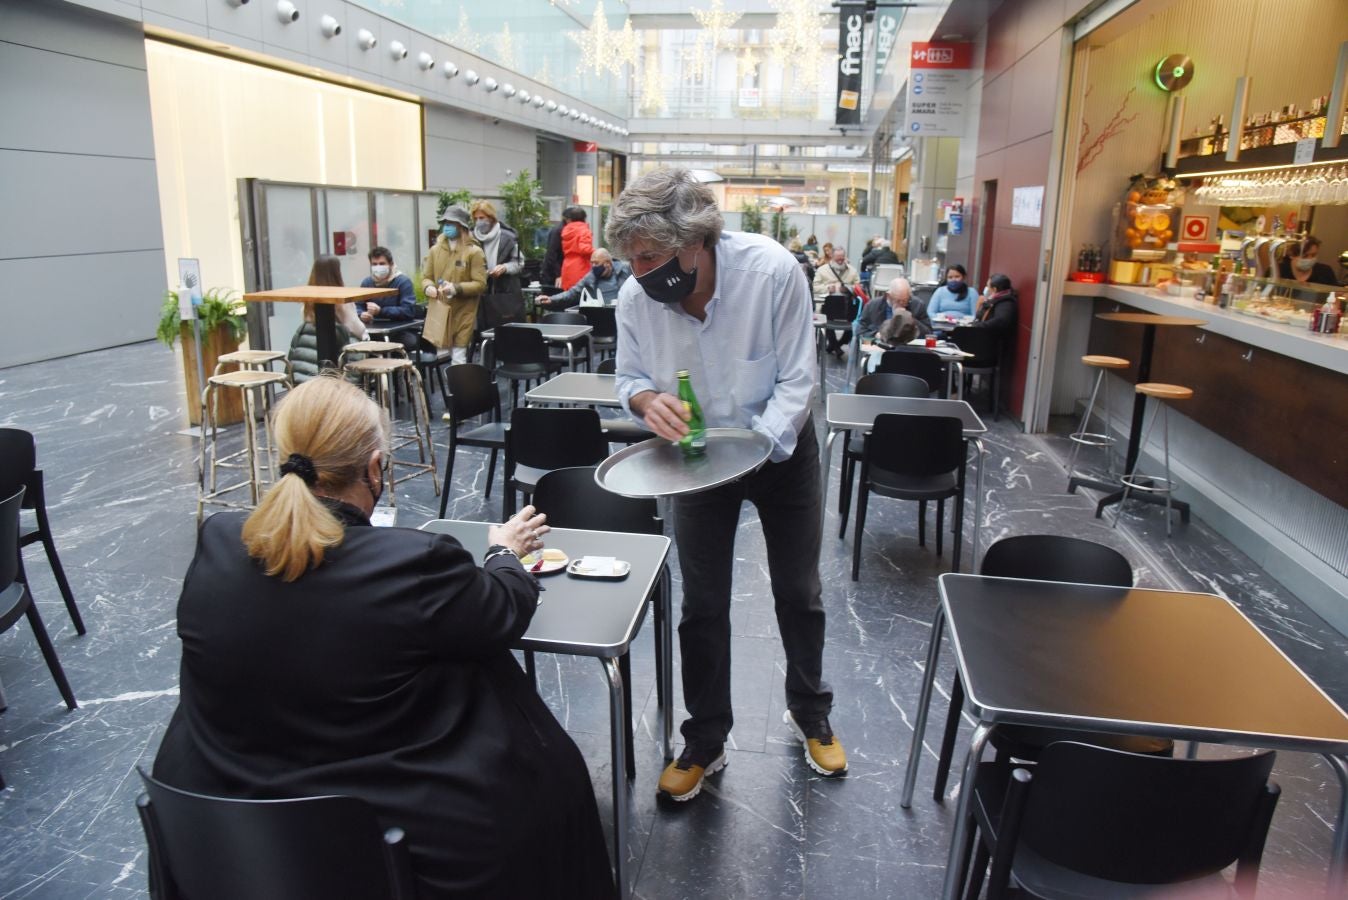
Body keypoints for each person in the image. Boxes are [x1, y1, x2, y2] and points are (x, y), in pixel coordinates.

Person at [152, 376, 615, 899]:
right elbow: (502, 612)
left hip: (226, 840)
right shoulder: (414, 564)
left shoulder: (216, 542)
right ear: (375, 469)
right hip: (395, 853)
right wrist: (505, 552)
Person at [607, 168, 845, 803]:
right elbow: (626, 374)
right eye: (631, 258)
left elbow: (799, 382)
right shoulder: (635, 299)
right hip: (696, 457)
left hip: (781, 450)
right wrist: (645, 397)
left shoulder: (771, 274)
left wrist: (753, 452)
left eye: (651, 255)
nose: (640, 271)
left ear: (695, 239)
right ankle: (705, 738)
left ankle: (810, 710)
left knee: (800, 589)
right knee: (702, 603)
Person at [422, 205, 486, 364]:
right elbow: (426, 277)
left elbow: (480, 284)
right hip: (440, 310)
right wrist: (428, 287)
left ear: (461, 226)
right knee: (442, 355)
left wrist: (456, 288)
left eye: (452, 223)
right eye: (445, 223)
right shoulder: (435, 250)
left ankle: (458, 389)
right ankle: (451, 388)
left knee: (458, 357)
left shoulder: (473, 252)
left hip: (463, 312)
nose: (447, 227)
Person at [287, 255, 367, 382]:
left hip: (304, 372)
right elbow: (358, 330)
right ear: (336, 273)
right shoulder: (342, 300)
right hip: (334, 369)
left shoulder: (308, 298)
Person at [471, 200, 526, 329]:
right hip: (480, 292)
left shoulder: (508, 237)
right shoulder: (471, 238)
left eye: (482, 218)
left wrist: (505, 267)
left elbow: (519, 262)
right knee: (482, 330)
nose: (479, 221)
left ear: (491, 218)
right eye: (476, 218)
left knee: (504, 329)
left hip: (505, 292)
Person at [539, 248, 631, 310]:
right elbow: (572, 293)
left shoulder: (626, 270)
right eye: (592, 263)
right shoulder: (591, 277)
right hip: (602, 317)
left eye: (596, 263)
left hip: (623, 313)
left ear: (608, 263)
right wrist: (552, 299)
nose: (593, 266)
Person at [814, 246, 861, 356]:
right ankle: (835, 345)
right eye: (837, 259)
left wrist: (849, 289)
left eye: (842, 259)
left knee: (856, 321)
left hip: (848, 306)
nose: (840, 261)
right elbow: (815, 286)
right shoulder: (822, 270)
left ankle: (836, 345)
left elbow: (859, 287)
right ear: (832, 257)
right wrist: (827, 288)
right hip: (829, 306)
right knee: (827, 314)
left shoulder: (852, 271)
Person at [357, 246, 418, 326]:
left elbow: (409, 311)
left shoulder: (403, 282)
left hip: (400, 328)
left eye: (382, 264)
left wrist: (381, 311)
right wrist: (361, 314)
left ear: (391, 264)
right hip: (372, 328)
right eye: (374, 264)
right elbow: (358, 306)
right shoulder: (367, 283)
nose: (378, 267)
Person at [859, 277, 932, 341]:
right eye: (898, 300)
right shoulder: (873, 305)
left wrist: (911, 319)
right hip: (880, 347)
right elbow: (860, 330)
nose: (901, 303)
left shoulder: (917, 305)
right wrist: (875, 334)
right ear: (888, 296)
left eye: (905, 301)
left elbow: (928, 333)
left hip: (909, 349)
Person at [560, 206, 594, 291]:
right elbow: (585, 249)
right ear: (584, 218)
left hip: (567, 266)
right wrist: (598, 253)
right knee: (581, 297)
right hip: (580, 267)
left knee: (568, 297)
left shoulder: (566, 230)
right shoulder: (583, 230)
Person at [540, 218, 565, 292]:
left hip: (555, 273)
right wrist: (558, 274)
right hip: (553, 275)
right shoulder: (559, 231)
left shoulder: (560, 229)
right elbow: (552, 255)